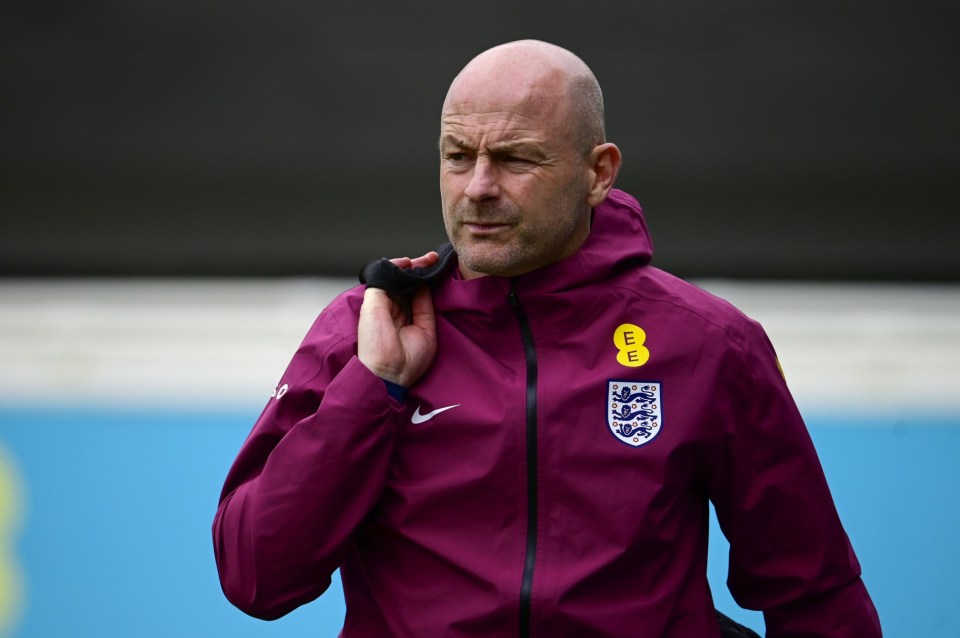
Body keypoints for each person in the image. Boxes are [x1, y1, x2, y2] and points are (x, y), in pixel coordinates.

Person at [213, 40, 882, 637]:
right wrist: (374, 387)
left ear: (599, 172)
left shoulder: (710, 344)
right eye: (457, 157)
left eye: (514, 159)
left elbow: (814, 592)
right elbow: (257, 578)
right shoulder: (364, 327)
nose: (477, 188)